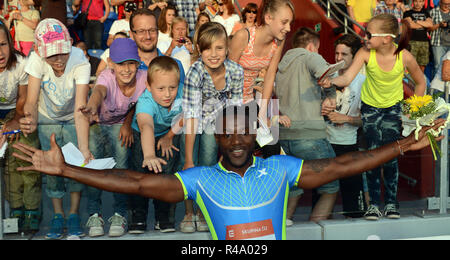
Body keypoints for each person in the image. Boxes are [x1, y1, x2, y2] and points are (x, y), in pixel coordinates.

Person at [11, 101, 446, 240]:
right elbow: (137, 181)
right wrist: (68, 170)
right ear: (217, 137)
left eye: (244, 133)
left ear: (253, 135)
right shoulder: (201, 179)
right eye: (228, 134)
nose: (237, 141)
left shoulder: (278, 168)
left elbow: (342, 164)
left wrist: (404, 145)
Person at [322, 13, 426, 220]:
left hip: (393, 110)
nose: (365, 38)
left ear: (386, 38)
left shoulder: (404, 56)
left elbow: (421, 82)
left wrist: (415, 110)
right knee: (371, 157)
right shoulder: (364, 53)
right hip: (370, 110)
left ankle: (391, 204)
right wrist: (331, 82)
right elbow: (347, 78)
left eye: (369, 34)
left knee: (390, 157)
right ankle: (373, 205)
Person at [19, 18, 91, 239]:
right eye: (52, 55)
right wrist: (29, 117)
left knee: (76, 164)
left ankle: (73, 213)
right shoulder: (35, 60)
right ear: (40, 51)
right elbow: (30, 100)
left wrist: (84, 147)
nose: (59, 60)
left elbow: (81, 108)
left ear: (70, 43)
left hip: (73, 117)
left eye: (63, 52)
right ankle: (58, 214)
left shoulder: (80, 61)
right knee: (52, 167)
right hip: (47, 116)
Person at [78, 38, 146, 237]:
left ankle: (119, 213)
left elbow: (141, 105)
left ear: (138, 63)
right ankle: (94, 214)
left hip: (121, 126)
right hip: (98, 124)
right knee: (93, 167)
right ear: (110, 64)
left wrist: (126, 124)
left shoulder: (144, 77)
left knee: (121, 167)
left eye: (131, 63)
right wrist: (91, 106)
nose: (126, 69)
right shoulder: (106, 77)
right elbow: (99, 91)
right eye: (120, 64)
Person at [127, 8, 186, 233]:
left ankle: (164, 216)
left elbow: (187, 114)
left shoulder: (176, 81)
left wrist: (170, 136)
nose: (168, 93)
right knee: (141, 172)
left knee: (167, 172)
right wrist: (150, 153)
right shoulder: (146, 99)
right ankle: (138, 216)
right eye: (161, 88)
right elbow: (146, 126)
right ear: (149, 87)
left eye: (152, 30)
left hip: (168, 131)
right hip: (143, 133)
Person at [180, 21, 243, 233]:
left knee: (209, 152)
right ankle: (189, 212)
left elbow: (234, 114)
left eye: (219, 48)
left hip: (220, 125)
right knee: (190, 159)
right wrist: (189, 159)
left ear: (227, 49)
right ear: (199, 49)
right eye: (207, 48)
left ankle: (204, 211)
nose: (213, 54)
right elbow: (191, 116)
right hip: (195, 121)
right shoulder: (195, 72)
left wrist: (226, 150)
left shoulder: (235, 71)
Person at [275, 27, 339, 224]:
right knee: (331, 185)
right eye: (318, 49)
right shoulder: (310, 56)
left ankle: (285, 229)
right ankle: (314, 230)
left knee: (293, 187)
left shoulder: (281, 64)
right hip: (310, 134)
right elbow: (325, 73)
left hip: (285, 137)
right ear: (311, 46)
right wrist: (331, 95)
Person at [0, 19, 41, 234]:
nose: (0, 52)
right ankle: (15, 207)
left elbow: (24, 100)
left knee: (23, 148)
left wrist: (13, 123)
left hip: (17, 111)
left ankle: (32, 209)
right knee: (6, 164)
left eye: (3, 44)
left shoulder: (21, 63)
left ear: (10, 42)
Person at [322, 34, 367, 218]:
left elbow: (368, 121)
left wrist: (346, 119)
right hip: (324, 143)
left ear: (355, 57)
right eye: (336, 53)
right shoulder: (326, 78)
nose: (338, 58)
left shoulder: (363, 81)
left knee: (353, 207)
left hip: (349, 144)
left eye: (344, 54)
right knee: (323, 198)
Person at [229, 0, 294, 121]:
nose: (289, 28)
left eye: (290, 23)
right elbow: (226, 76)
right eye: (284, 22)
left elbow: (270, 76)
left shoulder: (279, 41)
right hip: (226, 100)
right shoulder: (243, 36)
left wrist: (262, 113)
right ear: (268, 18)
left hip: (248, 101)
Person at [403, 0, 434, 72]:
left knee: (422, 64)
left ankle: (420, 81)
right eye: (416, 1)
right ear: (413, 2)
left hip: (424, 42)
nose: (418, 3)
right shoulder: (407, 13)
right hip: (411, 41)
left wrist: (416, 21)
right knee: (410, 63)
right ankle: (410, 82)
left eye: (420, 1)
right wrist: (424, 24)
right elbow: (410, 25)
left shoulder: (426, 13)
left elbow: (430, 24)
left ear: (423, 3)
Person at [429, 0, 450, 75]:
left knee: (448, 67)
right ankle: (434, 86)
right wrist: (439, 25)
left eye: (449, 4)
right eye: (445, 4)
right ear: (440, 3)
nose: (447, 6)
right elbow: (428, 28)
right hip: (438, 43)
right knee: (437, 66)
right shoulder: (432, 12)